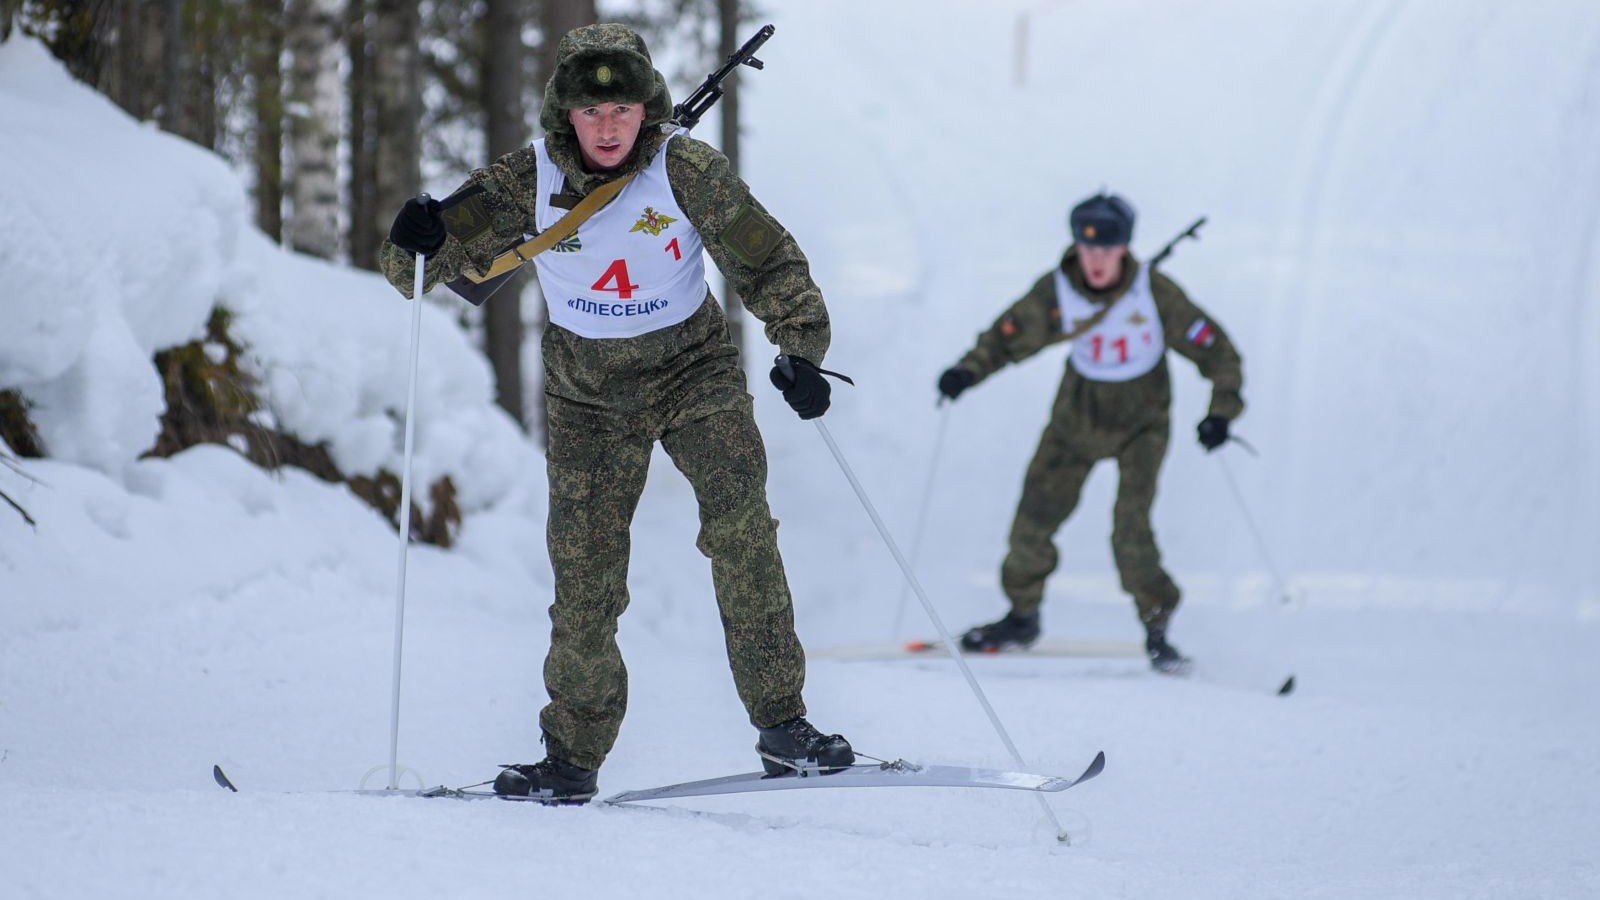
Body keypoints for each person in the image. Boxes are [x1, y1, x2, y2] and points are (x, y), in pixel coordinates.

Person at [379, 23, 852, 801]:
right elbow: (412, 272)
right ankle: (571, 757)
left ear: (647, 109)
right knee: (587, 578)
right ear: (565, 113)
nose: (608, 126)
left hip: (694, 374)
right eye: (591, 110)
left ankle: (784, 727)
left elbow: (766, 260)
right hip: (585, 397)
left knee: (741, 532)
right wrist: (415, 236)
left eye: (624, 108)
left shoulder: (686, 167)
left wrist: (801, 348)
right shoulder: (517, 183)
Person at [936, 193, 1244, 674]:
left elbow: (1219, 353)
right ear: (1076, 244)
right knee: (1033, 520)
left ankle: (1158, 626)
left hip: (1142, 424)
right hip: (1075, 419)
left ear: (1125, 248)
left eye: (1109, 248)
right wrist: (966, 373)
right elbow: (1006, 337)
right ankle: (1022, 617)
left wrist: (1221, 413)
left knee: (1130, 530)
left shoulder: (1154, 293)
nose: (1097, 259)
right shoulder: (1058, 292)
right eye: (1087, 246)